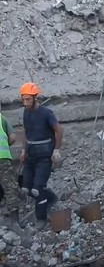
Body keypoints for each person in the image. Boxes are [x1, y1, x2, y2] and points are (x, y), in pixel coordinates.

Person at [19, 83, 63, 228]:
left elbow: (59, 130)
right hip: (31, 155)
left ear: (35, 98)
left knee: (37, 189)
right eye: (23, 100)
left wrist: (56, 150)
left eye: (28, 100)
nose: (25, 103)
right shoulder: (26, 112)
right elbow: (26, 131)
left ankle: (41, 218)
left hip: (44, 157)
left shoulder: (46, 113)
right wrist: (24, 150)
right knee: (25, 187)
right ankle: (50, 197)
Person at [0, 111, 18, 216]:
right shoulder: (2, 119)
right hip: (2, 158)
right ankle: (14, 218)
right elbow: (13, 138)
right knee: (10, 187)